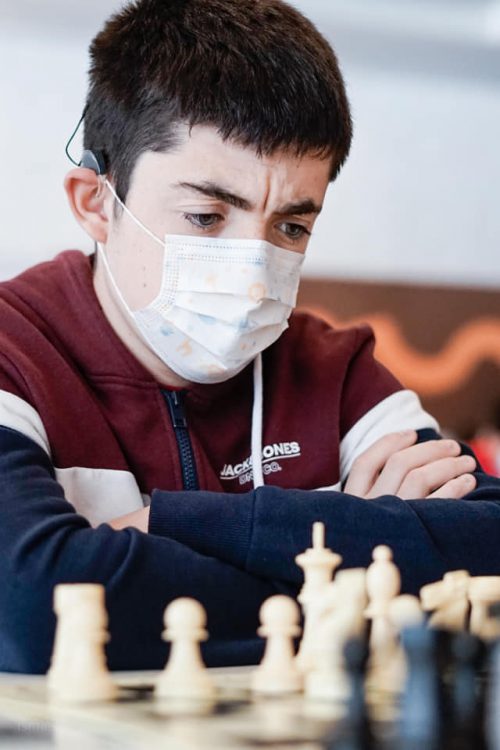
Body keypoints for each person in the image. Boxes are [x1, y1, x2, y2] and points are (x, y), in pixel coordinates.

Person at [0, 0, 499, 675]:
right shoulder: (14, 353)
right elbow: (31, 608)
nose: (255, 270)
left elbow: (488, 550)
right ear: (96, 202)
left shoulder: (332, 370)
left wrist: (167, 525)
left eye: (291, 227)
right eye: (206, 216)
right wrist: (348, 537)